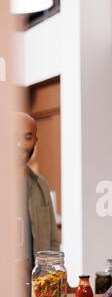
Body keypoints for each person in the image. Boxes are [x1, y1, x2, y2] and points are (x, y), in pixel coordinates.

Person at [14, 111, 60, 272]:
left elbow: (53, 242)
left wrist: (54, 277)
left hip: (37, 286)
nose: (20, 144)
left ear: (35, 141)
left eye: (27, 137)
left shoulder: (41, 185)